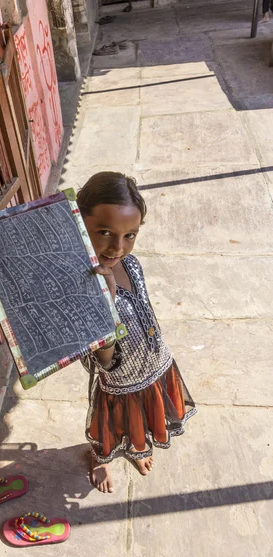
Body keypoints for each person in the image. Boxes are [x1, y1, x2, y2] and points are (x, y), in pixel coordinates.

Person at [78, 172, 197, 493]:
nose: (118, 246)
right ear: (79, 224)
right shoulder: (85, 286)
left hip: (156, 363)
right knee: (112, 427)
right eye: (104, 232)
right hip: (122, 382)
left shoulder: (131, 265)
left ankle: (135, 448)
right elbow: (103, 361)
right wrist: (107, 303)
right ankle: (99, 458)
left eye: (130, 235)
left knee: (141, 424)